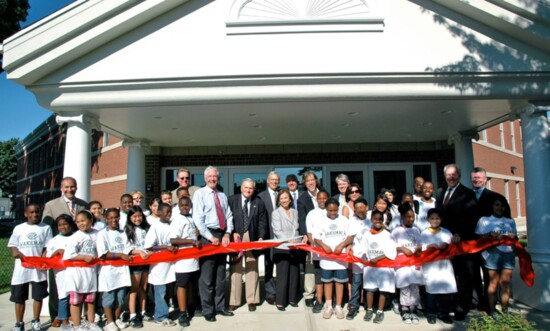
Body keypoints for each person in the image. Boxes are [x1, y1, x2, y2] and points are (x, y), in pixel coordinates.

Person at [42, 177, 87, 326]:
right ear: (61, 188)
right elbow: (46, 230)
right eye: (66, 187)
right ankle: (57, 315)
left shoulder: (83, 204)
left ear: (76, 187)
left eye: (72, 187)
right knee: (57, 286)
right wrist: (46, 251)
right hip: (57, 252)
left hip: (76, 251)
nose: (70, 190)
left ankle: (74, 314)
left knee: (75, 285)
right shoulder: (51, 205)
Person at [435, 164, 478, 320]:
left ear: (459, 176)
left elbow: (472, 217)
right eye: (448, 175)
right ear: (445, 176)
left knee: (464, 276)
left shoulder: (467, 193)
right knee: (448, 274)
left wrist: (460, 234)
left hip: (462, 243)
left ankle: (462, 307)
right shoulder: (440, 193)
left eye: (454, 175)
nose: (451, 177)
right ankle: (450, 303)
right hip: (445, 243)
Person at [192, 166, 234, 322]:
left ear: (218, 178)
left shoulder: (222, 195)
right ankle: (207, 310)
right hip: (207, 237)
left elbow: (228, 216)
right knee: (207, 277)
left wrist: (227, 233)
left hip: (222, 236)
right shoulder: (199, 194)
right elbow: (198, 219)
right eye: (209, 176)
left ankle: (220, 307)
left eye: (215, 176)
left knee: (221, 275)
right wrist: (210, 237)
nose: (212, 179)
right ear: (205, 178)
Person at [9, 204, 52, 331]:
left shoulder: (45, 228)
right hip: (22, 268)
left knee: (38, 296)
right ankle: (19, 323)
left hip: (38, 268)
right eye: (31, 212)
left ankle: (36, 321)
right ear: (26, 214)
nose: (34, 215)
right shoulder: (19, 228)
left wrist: (44, 259)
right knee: (19, 297)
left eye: (37, 212)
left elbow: (47, 246)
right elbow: (12, 245)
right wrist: (15, 252)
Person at [228, 179, 268, 312]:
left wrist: (261, 237)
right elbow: (228, 219)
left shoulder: (258, 202)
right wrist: (232, 233)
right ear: (241, 188)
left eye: (251, 188)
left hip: (252, 238)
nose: (248, 190)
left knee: (252, 267)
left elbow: (262, 222)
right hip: (237, 237)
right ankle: (234, 301)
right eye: (246, 187)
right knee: (236, 268)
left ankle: (252, 300)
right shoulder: (231, 200)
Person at [475, 197, 517, 319]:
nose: (499, 208)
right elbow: (477, 239)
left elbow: (515, 238)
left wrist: (512, 237)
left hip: (508, 253)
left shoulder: (510, 221)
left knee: (505, 283)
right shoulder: (484, 220)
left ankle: (505, 310)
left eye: (502, 206)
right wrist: (489, 235)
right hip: (492, 254)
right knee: (493, 283)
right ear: (492, 207)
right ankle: (492, 311)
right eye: (497, 205)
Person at [62, 210, 102, 331]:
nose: (80, 224)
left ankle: (91, 322)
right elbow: (68, 255)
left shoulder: (98, 234)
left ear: (90, 220)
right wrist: (83, 257)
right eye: (78, 222)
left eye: (83, 220)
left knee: (90, 299)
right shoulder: (76, 237)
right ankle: (77, 325)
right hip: (77, 274)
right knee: (76, 301)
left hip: (91, 273)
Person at [314, 198, 353, 320]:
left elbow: (350, 236)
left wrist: (342, 245)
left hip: (340, 258)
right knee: (328, 281)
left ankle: (338, 306)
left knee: (340, 281)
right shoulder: (320, 221)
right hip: (327, 258)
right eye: (330, 210)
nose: (332, 212)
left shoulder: (344, 220)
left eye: (335, 210)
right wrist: (324, 246)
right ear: (326, 209)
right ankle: (329, 305)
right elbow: (316, 237)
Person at [97, 208, 132, 331]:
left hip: (122, 271)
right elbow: (102, 254)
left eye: (116, 217)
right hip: (109, 272)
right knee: (109, 299)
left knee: (121, 298)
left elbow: (128, 249)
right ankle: (109, 321)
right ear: (106, 219)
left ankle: (116, 319)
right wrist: (120, 255)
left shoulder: (123, 233)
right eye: (110, 218)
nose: (114, 220)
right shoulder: (102, 234)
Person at [420, 208, 457, 325]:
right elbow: (420, 248)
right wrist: (430, 246)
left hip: (444, 266)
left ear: (441, 219)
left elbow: (453, 250)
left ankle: (444, 313)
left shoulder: (446, 232)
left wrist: (447, 246)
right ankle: (431, 313)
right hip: (430, 267)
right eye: (432, 218)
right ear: (428, 219)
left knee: (445, 290)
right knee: (431, 291)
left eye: (437, 218)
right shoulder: (424, 233)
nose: (435, 221)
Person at [360, 210, 396, 324]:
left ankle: (380, 311)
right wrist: (364, 255)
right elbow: (363, 248)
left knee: (383, 290)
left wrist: (378, 258)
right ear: (371, 220)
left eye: (380, 219)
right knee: (370, 289)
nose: (378, 221)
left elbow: (390, 251)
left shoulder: (387, 234)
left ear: (383, 220)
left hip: (383, 267)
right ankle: (369, 309)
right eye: (375, 219)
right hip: (370, 267)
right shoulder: (366, 234)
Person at [144, 203, 177, 327]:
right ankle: (160, 316)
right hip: (159, 265)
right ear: (159, 212)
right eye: (166, 212)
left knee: (168, 290)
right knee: (160, 291)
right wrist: (166, 247)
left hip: (170, 264)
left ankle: (165, 312)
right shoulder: (155, 227)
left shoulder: (171, 225)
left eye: (170, 212)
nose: (169, 214)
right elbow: (149, 245)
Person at [169, 196, 200, 327]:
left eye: (187, 205)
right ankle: (182, 313)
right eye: (182, 205)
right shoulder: (177, 220)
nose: (185, 207)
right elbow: (173, 239)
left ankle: (191, 307)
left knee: (192, 284)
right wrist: (191, 241)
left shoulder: (193, 218)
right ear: (179, 207)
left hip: (194, 258)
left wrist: (196, 235)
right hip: (183, 259)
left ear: (191, 205)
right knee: (182, 285)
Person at [391, 204, 423, 325]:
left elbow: (420, 243)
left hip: (414, 262)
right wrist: (402, 249)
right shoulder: (396, 231)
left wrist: (419, 249)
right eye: (408, 217)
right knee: (405, 285)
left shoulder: (415, 230)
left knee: (414, 286)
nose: (410, 219)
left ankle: (413, 308)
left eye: (412, 217)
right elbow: (391, 246)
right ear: (402, 217)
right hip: (402, 263)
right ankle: (404, 308)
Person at [271, 189, 300, 311]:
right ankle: (280, 301)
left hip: (294, 246)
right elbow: (277, 231)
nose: (284, 200)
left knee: (293, 273)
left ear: (290, 199)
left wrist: (295, 241)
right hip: (282, 247)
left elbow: (296, 228)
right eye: (281, 198)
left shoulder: (295, 211)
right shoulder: (276, 213)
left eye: (286, 198)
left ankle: (292, 299)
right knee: (283, 275)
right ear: (279, 200)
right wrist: (288, 240)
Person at [123, 206, 152, 328]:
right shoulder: (127, 230)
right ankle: (133, 314)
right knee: (134, 288)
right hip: (135, 263)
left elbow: (151, 243)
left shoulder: (147, 228)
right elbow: (127, 248)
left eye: (139, 216)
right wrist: (139, 252)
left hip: (146, 262)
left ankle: (143, 311)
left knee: (143, 288)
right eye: (134, 216)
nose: (137, 218)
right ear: (130, 218)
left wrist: (149, 251)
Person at [45, 214, 76, 331]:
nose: (62, 227)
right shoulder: (54, 241)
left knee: (75, 296)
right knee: (63, 296)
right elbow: (49, 258)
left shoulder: (76, 237)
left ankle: (75, 318)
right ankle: (64, 321)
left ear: (71, 225)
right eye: (59, 225)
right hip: (61, 273)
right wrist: (57, 252)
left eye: (65, 224)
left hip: (75, 272)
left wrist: (66, 251)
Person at [297, 171, 321, 306]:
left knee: (324, 265)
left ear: (316, 181)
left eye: (312, 180)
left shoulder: (323, 193)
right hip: (311, 237)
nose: (310, 183)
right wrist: (305, 234)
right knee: (310, 266)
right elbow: (302, 219)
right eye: (307, 181)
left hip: (324, 236)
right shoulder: (302, 199)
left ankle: (321, 293)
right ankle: (309, 294)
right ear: (304, 184)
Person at [257, 171, 280, 305]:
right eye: (272, 179)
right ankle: (270, 293)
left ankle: (281, 291)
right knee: (269, 265)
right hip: (268, 235)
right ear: (267, 181)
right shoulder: (261, 196)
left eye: (277, 180)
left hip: (281, 236)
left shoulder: (282, 195)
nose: (274, 182)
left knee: (281, 264)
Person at [305, 190, 330, 313]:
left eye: (324, 198)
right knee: (319, 275)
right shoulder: (311, 213)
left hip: (330, 251)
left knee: (330, 276)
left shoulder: (332, 212)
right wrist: (314, 247)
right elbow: (310, 232)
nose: (322, 200)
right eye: (319, 198)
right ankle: (319, 300)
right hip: (318, 251)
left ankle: (330, 300)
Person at [346, 197, 370, 320]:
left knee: (369, 284)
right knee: (356, 282)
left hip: (371, 259)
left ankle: (369, 305)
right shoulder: (352, 221)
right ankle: (353, 306)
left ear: (367, 208)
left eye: (362, 207)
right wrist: (348, 245)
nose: (360, 210)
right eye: (357, 208)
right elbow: (350, 237)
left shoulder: (373, 219)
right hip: (357, 257)